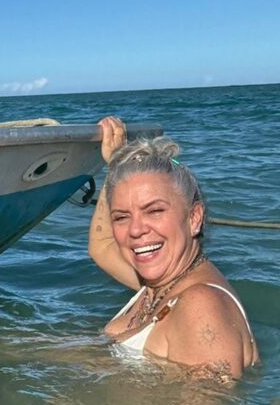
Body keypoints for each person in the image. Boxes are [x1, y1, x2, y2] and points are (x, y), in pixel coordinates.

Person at [89, 116, 258, 378]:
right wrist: (115, 166)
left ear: (194, 218)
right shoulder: (157, 286)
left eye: (154, 211)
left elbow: (209, 402)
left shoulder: (201, 307)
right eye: (121, 217)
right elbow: (101, 246)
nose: (136, 229)